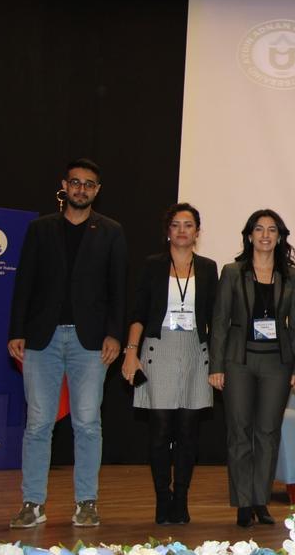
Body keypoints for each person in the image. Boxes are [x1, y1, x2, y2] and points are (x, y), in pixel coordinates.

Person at [7, 158, 127, 528]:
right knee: (37, 424)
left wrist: (115, 334)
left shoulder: (111, 232)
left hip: (90, 342)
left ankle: (86, 502)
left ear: (97, 190)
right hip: (40, 339)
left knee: (88, 423)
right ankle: (32, 503)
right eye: (75, 182)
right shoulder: (40, 229)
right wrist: (16, 330)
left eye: (89, 184)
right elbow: (24, 282)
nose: (81, 189)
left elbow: (118, 289)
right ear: (64, 185)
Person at [120, 203, 218, 525]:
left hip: (195, 349)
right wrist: (131, 352)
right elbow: (138, 312)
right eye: (176, 224)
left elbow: (216, 317)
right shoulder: (153, 265)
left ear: (197, 232)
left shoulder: (208, 268)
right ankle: (163, 498)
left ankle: (181, 499)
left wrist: (220, 360)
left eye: (188, 225)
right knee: (160, 430)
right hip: (158, 347)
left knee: (188, 432)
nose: (182, 230)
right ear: (168, 231)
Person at [209, 209, 295, 527]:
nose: (265, 235)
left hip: (277, 363)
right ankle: (242, 502)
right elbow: (220, 321)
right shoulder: (232, 272)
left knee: (267, 433)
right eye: (259, 229)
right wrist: (216, 365)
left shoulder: (291, 275)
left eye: (272, 230)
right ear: (249, 235)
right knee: (239, 432)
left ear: (280, 237)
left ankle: (260, 500)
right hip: (238, 361)